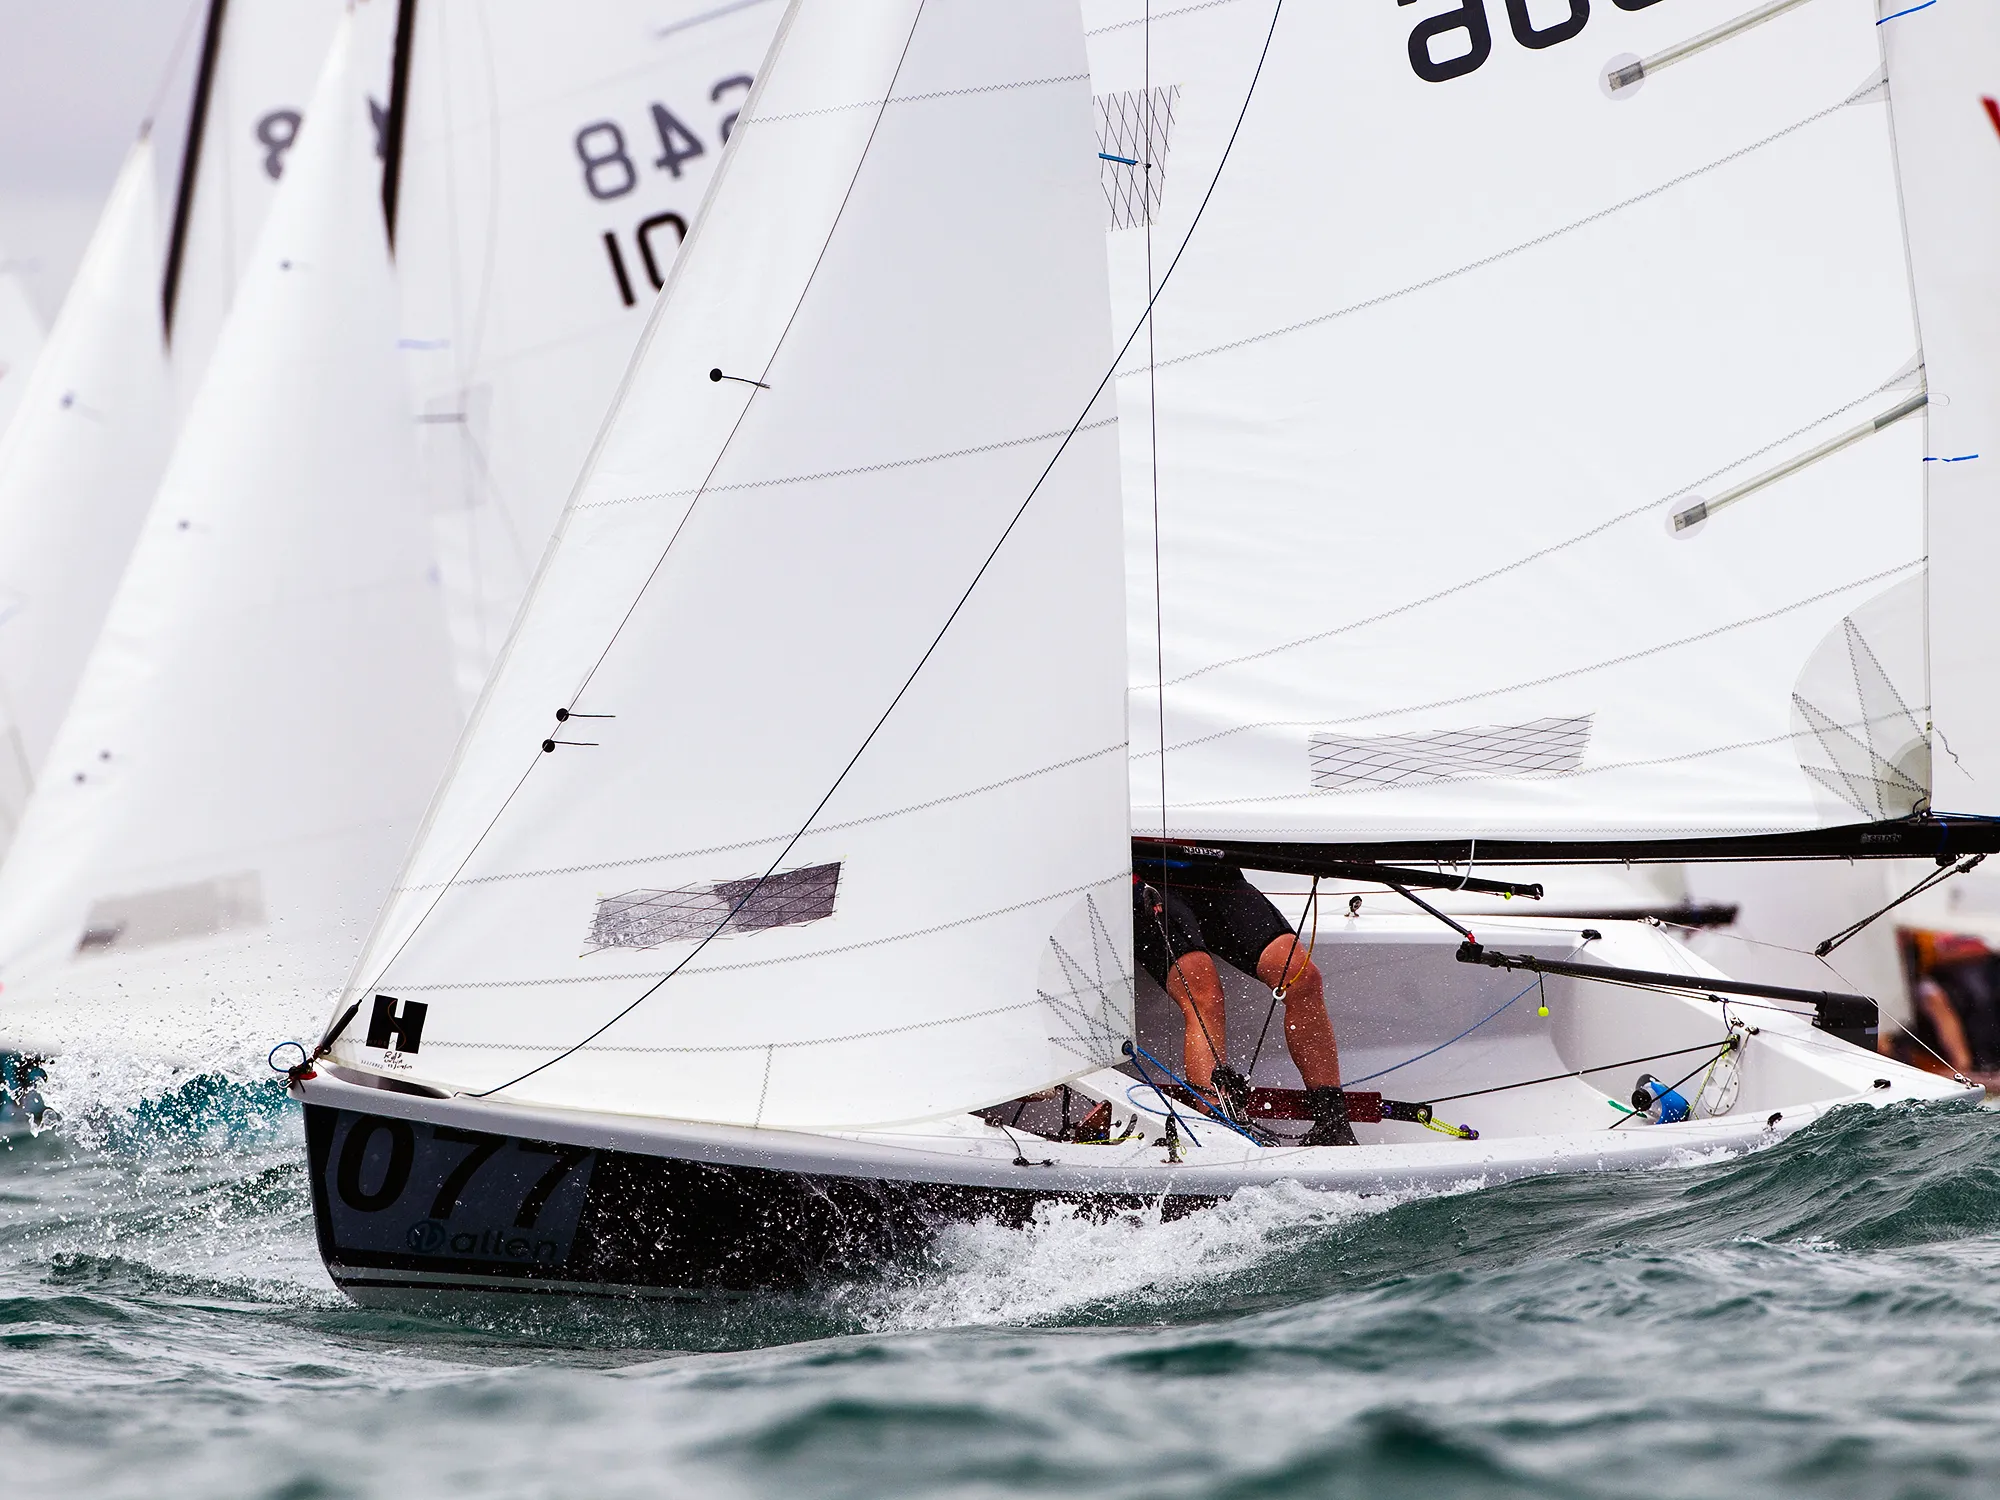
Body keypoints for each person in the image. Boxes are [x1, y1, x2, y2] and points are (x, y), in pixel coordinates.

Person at [1133, 859, 1356, 1145]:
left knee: (1303, 978)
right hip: (1140, 880)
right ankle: (1216, 1130)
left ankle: (1333, 1124)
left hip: (1216, 873)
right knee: (1205, 995)